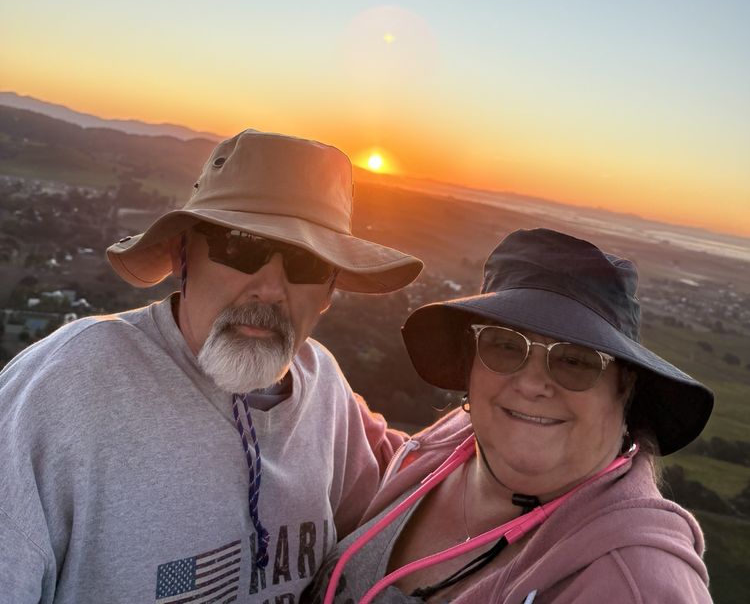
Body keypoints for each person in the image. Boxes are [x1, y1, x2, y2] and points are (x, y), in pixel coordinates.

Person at [0, 129, 423, 604]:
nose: (270, 288)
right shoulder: (69, 385)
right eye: (240, 246)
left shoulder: (324, 386)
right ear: (184, 255)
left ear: (329, 291)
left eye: (306, 263)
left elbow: (405, 503)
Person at [310, 228, 714, 604]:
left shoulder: (636, 582)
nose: (532, 383)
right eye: (504, 346)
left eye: (575, 360)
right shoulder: (455, 442)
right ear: (470, 360)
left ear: (624, 386)